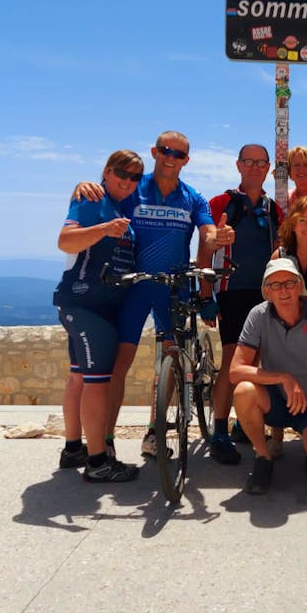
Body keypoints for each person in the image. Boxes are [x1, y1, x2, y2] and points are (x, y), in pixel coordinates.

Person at [74, 131, 233, 458]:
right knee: (120, 364)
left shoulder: (193, 197)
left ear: (186, 160)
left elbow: (207, 231)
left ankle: (154, 432)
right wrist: (82, 186)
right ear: (154, 152)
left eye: (178, 154)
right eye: (165, 151)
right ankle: (105, 439)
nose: (170, 158)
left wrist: (217, 237)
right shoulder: (134, 187)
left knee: (169, 360)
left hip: (173, 288)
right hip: (134, 285)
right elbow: (103, 197)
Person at [53, 150, 143, 483]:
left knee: (79, 376)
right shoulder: (92, 200)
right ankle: (98, 462)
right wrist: (104, 229)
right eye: (123, 173)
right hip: (88, 303)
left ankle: (73, 448)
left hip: (89, 303)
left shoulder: (119, 205)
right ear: (107, 171)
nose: (128, 181)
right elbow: (65, 241)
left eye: (135, 177)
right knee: (98, 382)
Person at [200, 143, 284, 465]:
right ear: (238, 165)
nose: (254, 167)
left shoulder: (273, 209)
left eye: (260, 163)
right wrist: (205, 296)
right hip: (231, 291)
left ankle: (241, 424)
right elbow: (205, 248)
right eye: (249, 161)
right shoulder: (221, 203)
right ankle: (219, 432)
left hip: (265, 294)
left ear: (268, 168)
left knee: (257, 362)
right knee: (233, 361)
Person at [230, 259, 307, 494]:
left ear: (300, 286)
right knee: (243, 391)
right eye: (275, 285)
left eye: (289, 283)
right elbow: (235, 371)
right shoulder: (258, 315)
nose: (283, 290)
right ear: (266, 292)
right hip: (277, 401)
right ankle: (263, 457)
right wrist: (283, 378)